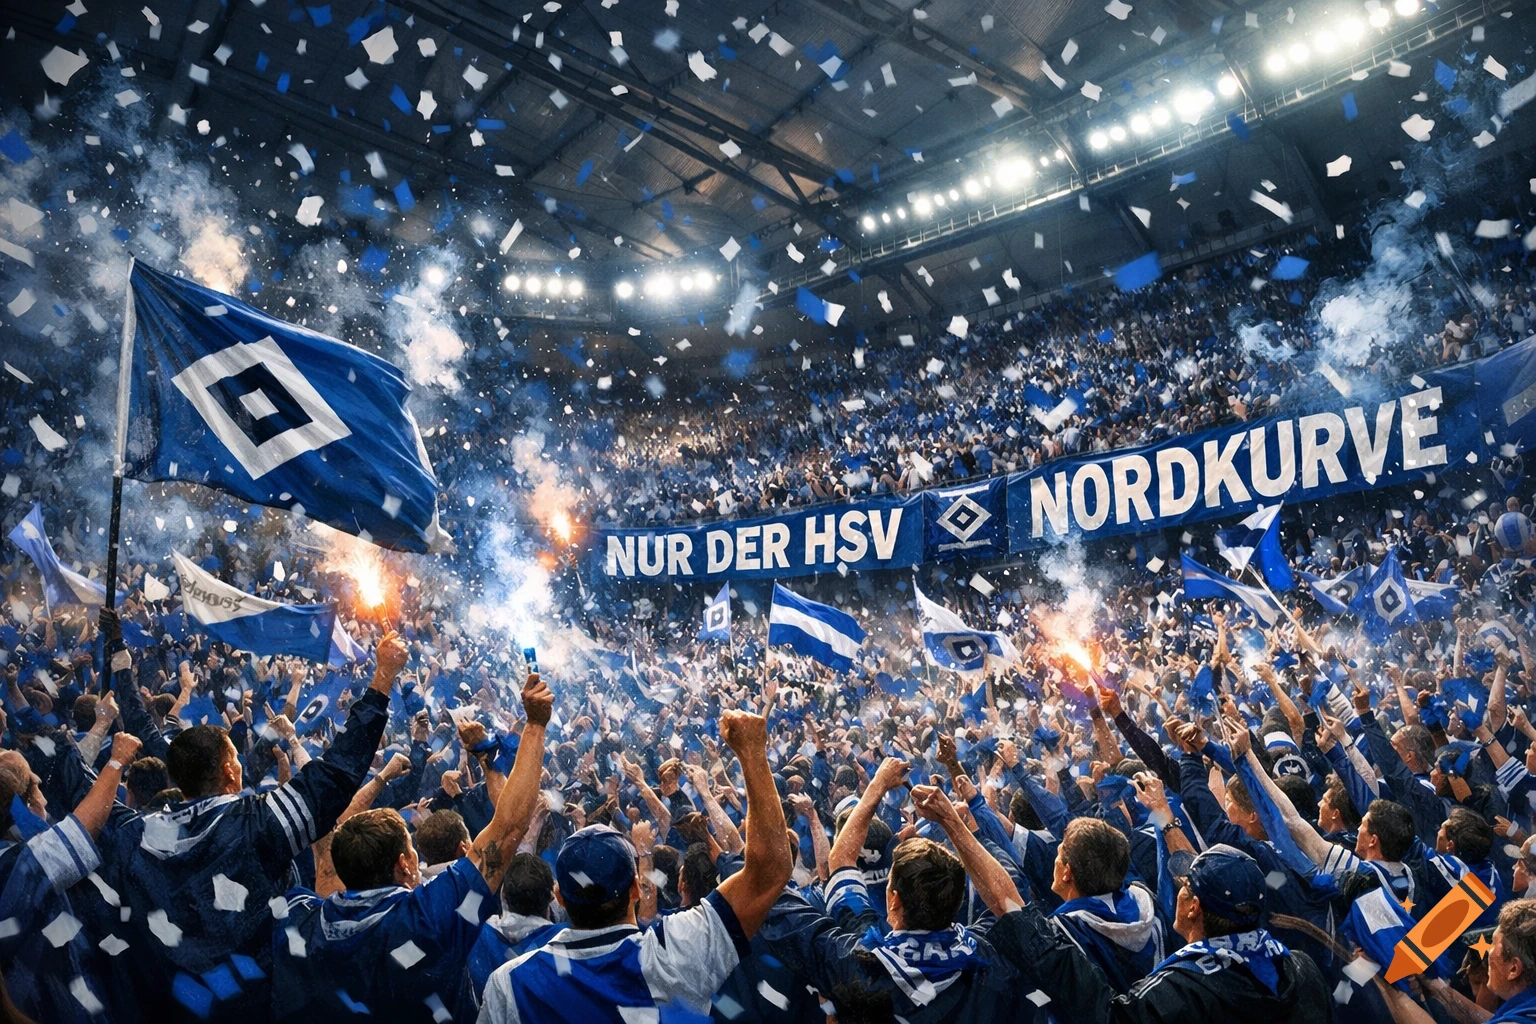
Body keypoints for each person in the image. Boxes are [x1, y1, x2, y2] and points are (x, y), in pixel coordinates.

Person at [90, 609, 409, 1022]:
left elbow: (132, 716)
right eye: (237, 758)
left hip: (162, 1007)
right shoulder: (259, 824)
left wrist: (116, 647)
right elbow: (338, 772)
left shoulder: (137, 833)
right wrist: (382, 677)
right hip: (251, 1005)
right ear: (228, 771)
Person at [913, 780, 1331, 1023]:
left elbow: (1010, 904)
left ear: (1192, 907)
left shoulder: (1181, 990)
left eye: (1185, 887)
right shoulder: (1300, 967)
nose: (1177, 887)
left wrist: (954, 822)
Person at [270, 671, 554, 1022]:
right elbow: (509, 828)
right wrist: (535, 726)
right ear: (405, 865)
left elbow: (326, 847)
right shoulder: (432, 917)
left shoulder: (300, 919)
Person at [477, 707, 792, 1023]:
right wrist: (752, 754)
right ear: (634, 889)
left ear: (559, 897)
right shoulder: (674, 953)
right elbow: (770, 873)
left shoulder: (509, 985)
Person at [755, 757, 1029, 1023]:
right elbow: (1009, 900)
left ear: (894, 900)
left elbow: (839, 861)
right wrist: (954, 823)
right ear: (956, 900)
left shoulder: (861, 966)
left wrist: (878, 785)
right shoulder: (985, 957)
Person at [0, 730, 141, 1023]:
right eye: (35, 787)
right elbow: (85, 827)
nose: (45, 801)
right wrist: (117, 761)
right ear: (26, 807)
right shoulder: (17, 865)